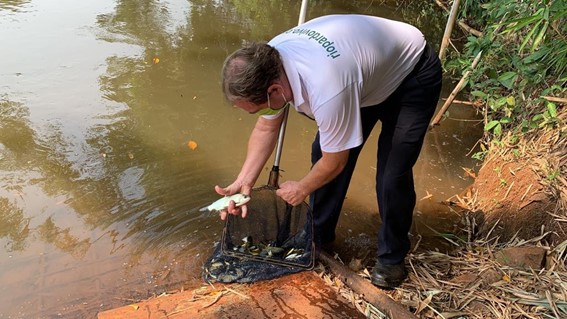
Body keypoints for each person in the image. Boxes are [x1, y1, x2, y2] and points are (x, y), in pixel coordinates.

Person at [214, 14, 442, 289]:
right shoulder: (269, 62)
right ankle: (319, 235)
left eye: (256, 109)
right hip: (362, 75)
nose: (258, 115)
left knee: (392, 175)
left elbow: (335, 161)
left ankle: (392, 257)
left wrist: (302, 188)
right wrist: (244, 182)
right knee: (320, 150)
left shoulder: (326, 87)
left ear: (275, 90)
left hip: (411, 74)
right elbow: (266, 129)